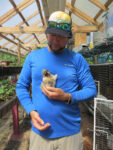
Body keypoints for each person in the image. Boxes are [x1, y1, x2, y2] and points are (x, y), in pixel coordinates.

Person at [16, 11, 97, 150]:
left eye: (61, 36)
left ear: (68, 37)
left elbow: (91, 90)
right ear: (46, 33)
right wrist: (31, 111)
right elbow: (21, 86)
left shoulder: (77, 60)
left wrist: (67, 96)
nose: (55, 39)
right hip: (40, 133)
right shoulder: (33, 57)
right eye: (53, 34)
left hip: (70, 134)